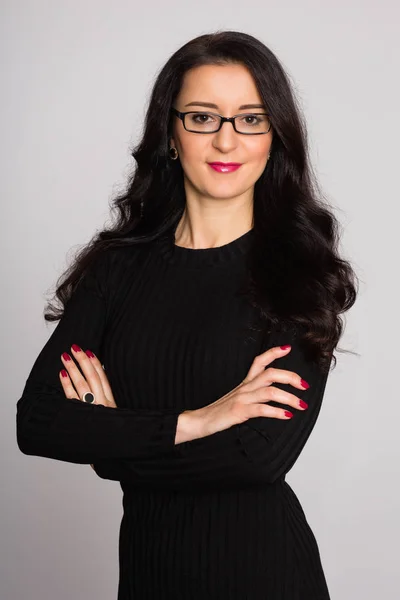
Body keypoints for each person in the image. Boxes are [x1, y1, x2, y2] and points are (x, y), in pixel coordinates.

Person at [16, 30, 358, 600]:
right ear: (171, 135)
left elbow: (257, 459)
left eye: (251, 119)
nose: (227, 140)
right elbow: (38, 423)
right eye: (202, 117)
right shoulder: (116, 269)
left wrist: (111, 448)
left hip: (263, 575)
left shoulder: (299, 274)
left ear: (274, 137)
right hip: (150, 574)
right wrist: (197, 421)